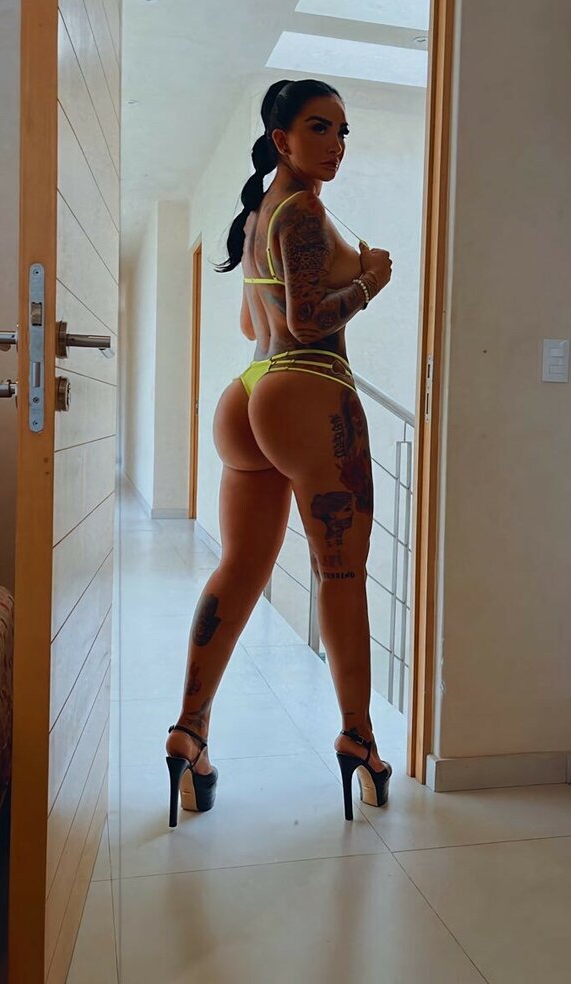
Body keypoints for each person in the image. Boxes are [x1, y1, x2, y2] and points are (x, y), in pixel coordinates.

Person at [165, 78, 394, 827]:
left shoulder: (261, 213)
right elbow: (307, 318)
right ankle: (359, 740)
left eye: (343, 131)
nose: (336, 144)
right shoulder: (303, 211)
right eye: (319, 127)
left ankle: (189, 734)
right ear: (281, 139)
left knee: (240, 568)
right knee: (342, 574)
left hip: (249, 394)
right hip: (307, 388)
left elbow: (252, 322)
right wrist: (371, 279)